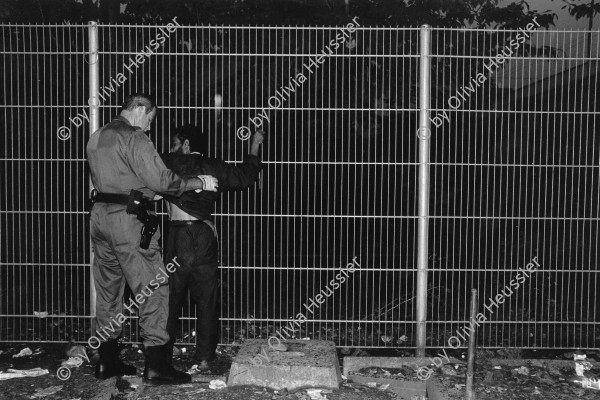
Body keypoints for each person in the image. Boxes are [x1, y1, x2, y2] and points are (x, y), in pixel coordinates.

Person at [86, 94, 218, 384]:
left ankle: (107, 362)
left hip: (100, 218)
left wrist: (146, 192)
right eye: (149, 119)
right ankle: (157, 366)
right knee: (154, 289)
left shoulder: (97, 137)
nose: (148, 127)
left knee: (109, 290)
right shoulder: (134, 137)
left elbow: (114, 179)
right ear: (139, 109)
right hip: (128, 222)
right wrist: (199, 182)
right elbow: (163, 180)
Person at [160, 125, 265, 366]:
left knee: (169, 298)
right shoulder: (213, 165)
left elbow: (146, 175)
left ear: (186, 145)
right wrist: (255, 145)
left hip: (179, 236)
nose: (172, 148)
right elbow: (244, 177)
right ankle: (205, 358)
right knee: (207, 299)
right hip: (205, 235)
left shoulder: (168, 162)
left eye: (175, 143)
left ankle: (162, 356)